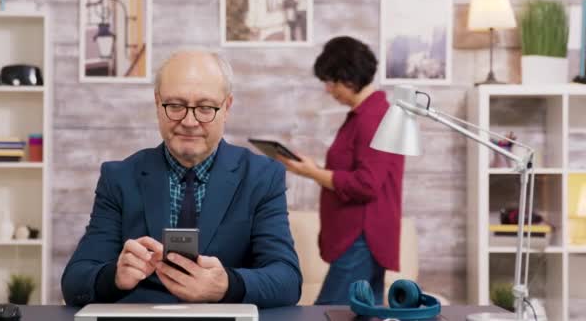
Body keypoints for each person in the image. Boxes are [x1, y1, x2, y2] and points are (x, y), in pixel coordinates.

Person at [61, 49, 302, 308]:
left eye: (205, 107)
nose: (189, 121)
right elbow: (75, 282)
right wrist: (114, 277)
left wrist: (228, 285)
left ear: (227, 107)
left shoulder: (262, 177)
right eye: (175, 106)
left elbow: (287, 279)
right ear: (157, 103)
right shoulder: (119, 177)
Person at [278, 36, 404, 305]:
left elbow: (366, 184)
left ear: (349, 77)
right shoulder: (365, 116)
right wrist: (311, 169)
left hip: (362, 237)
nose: (328, 89)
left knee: (328, 314)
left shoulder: (374, 118)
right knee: (360, 315)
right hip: (361, 237)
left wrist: (312, 173)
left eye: (331, 81)